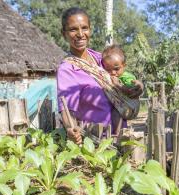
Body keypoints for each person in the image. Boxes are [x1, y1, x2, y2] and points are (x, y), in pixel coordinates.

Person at [57, 7, 143, 144]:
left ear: (90, 30)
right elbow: (67, 108)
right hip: (97, 142)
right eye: (73, 29)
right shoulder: (67, 69)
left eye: (84, 28)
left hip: (121, 137)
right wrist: (70, 128)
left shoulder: (100, 58)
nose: (80, 34)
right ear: (64, 34)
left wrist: (138, 85)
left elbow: (122, 75)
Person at [102, 44, 139, 134]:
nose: (113, 73)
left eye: (116, 69)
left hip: (130, 105)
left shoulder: (127, 77)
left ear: (124, 65)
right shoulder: (110, 75)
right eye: (108, 70)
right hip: (121, 104)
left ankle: (117, 134)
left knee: (116, 113)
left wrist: (118, 85)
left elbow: (131, 91)